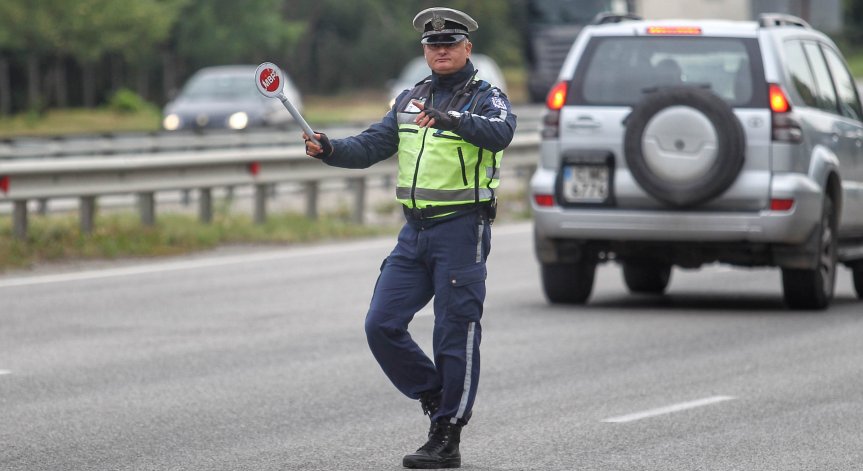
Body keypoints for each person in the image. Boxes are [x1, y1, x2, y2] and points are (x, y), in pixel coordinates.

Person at [304, 6, 516, 469]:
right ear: (425, 51)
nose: (441, 51)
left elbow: (502, 133)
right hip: (414, 232)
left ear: (466, 49)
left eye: (449, 44)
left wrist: (452, 119)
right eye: (433, 45)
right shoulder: (409, 98)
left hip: (462, 229)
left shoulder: (485, 96)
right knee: (381, 324)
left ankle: (447, 435)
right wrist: (331, 149)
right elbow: (373, 144)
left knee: (453, 332)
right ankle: (438, 395)